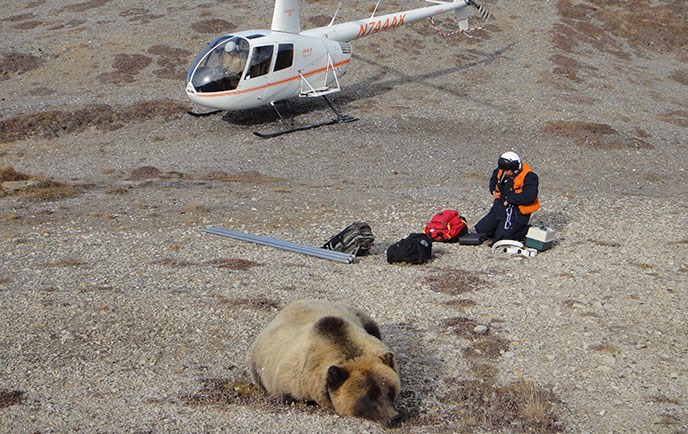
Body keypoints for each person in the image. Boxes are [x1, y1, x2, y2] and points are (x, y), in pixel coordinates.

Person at [474, 151, 540, 241]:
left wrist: (510, 200)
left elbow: (530, 196)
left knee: (502, 238)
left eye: (507, 171)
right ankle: (502, 229)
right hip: (499, 207)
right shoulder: (502, 170)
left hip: (517, 212)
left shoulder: (529, 177)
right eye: (504, 170)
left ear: (514, 168)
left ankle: (525, 230)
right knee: (481, 229)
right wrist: (493, 190)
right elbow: (493, 180)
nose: (505, 173)